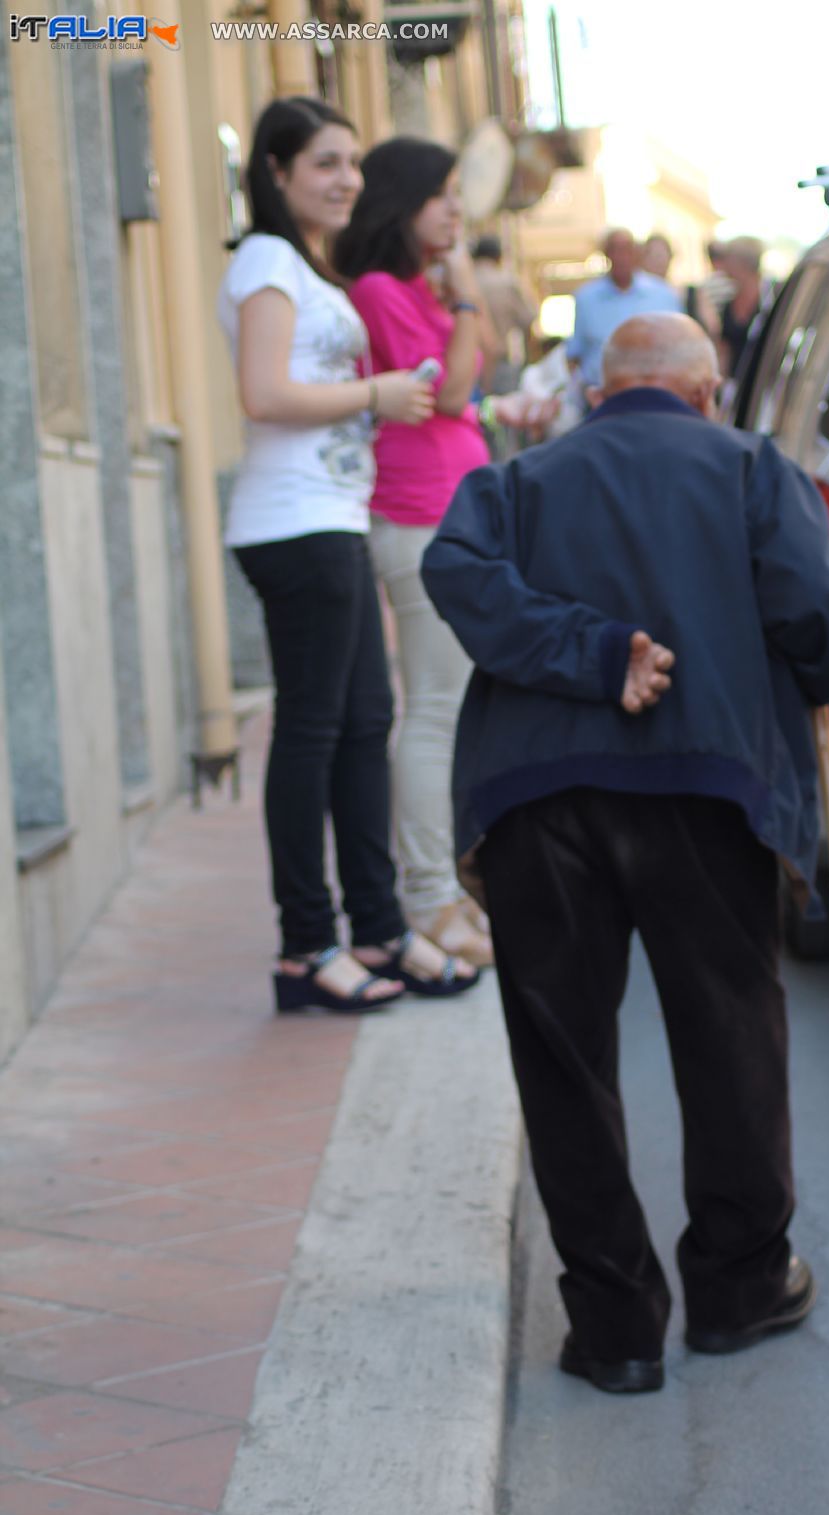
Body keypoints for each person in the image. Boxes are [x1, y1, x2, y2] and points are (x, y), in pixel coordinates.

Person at [421, 313, 829, 1393]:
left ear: (596, 393)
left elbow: (453, 572)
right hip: (704, 786)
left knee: (565, 1058)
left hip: (533, 798)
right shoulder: (753, 468)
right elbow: (821, 617)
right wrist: (803, 666)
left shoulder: (517, 483)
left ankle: (615, 1328)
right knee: (728, 1034)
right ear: (707, 391)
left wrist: (582, 650)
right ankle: (738, 1285)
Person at [218, 97, 479, 1012]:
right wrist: (378, 391)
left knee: (367, 724)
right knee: (315, 732)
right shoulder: (264, 260)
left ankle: (377, 929)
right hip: (293, 524)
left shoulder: (308, 267)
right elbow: (262, 392)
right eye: (325, 163)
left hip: (334, 517)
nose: (348, 181)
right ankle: (305, 948)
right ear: (277, 172)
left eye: (354, 164)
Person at [336, 137, 551, 968]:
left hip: (454, 511)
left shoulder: (418, 288)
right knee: (432, 707)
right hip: (417, 514)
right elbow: (453, 391)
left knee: (454, 705)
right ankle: (429, 896)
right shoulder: (381, 290)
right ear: (401, 202)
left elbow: (479, 371)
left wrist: (462, 299)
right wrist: (463, 299)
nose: (458, 211)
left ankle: (453, 889)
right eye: (442, 196)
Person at [565, 228, 678, 390]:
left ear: (637, 254)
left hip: (655, 394)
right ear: (606, 254)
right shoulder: (586, 298)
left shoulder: (663, 294)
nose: (621, 257)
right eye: (615, 250)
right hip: (602, 395)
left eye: (627, 250)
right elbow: (575, 354)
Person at [471, 234, 537, 395]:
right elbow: (527, 320)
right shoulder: (507, 282)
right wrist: (529, 361)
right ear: (498, 257)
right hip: (500, 363)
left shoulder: (463, 282)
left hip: (466, 362)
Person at [718, 235, 774, 379]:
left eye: (727, 259)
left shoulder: (771, 297)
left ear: (741, 263)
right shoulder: (727, 300)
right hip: (734, 386)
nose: (723, 265)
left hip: (760, 383)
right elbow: (725, 347)